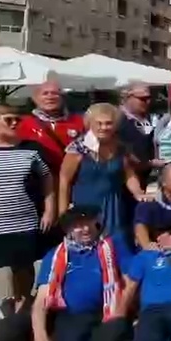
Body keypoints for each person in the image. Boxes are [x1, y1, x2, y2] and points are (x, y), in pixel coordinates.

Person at [0, 104, 56, 329]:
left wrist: (49, 210)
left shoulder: (31, 149)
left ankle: (20, 316)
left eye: (18, 119)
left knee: (23, 268)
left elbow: (48, 179)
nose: (16, 123)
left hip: (23, 219)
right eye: (9, 119)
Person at [26, 206, 132, 341]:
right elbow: (41, 300)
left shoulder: (113, 245)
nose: (85, 229)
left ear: (96, 222)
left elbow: (131, 282)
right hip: (68, 315)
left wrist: (121, 310)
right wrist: (40, 338)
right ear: (68, 229)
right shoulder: (55, 255)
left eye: (88, 222)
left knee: (114, 329)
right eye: (77, 225)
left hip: (105, 311)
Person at [59, 103, 145, 245]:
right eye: (99, 123)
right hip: (85, 204)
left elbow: (129, 175)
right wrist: (63, 213)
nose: (103, 127)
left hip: (113, 205)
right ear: (90, 124)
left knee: (116, 246)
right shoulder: (78, 149)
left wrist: (138, 193)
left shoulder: (120, 147)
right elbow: (64, 181)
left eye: (108, 123)